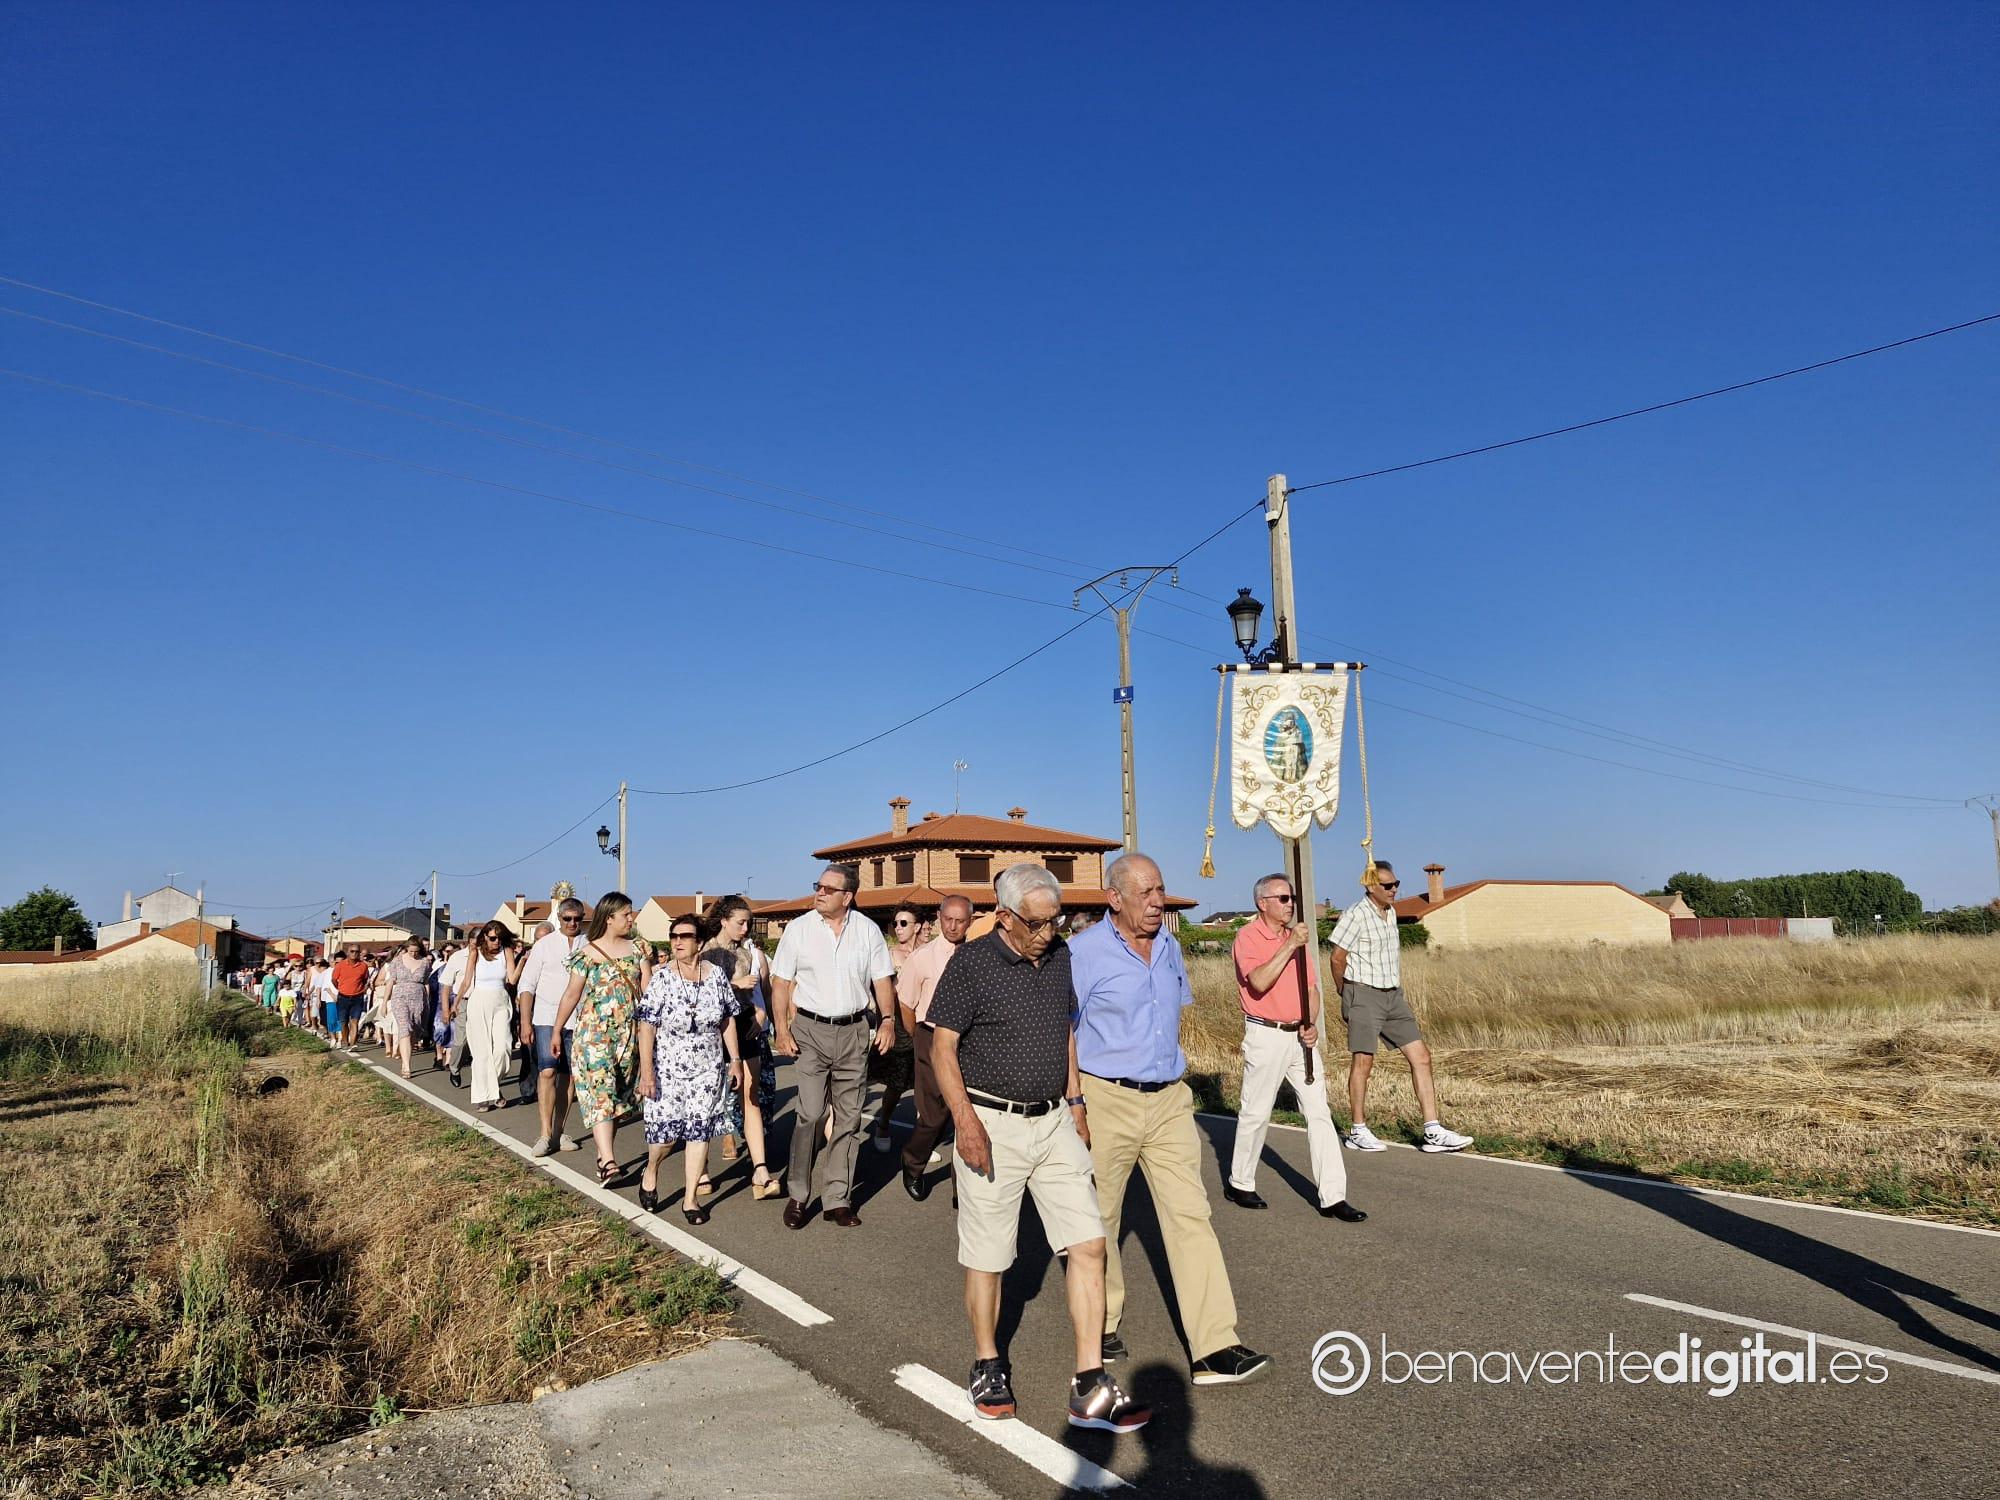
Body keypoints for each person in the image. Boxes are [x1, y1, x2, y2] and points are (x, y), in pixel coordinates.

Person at [928, 864, 1150, 1433]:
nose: (1049, 932)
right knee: (990, 1257)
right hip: (990, 1121)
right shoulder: (970, 963)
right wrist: (965, 1122)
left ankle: (1090, 1382)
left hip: (1053, 1121)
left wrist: (1076, 1104)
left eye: (1057, 920)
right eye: (1038, 923)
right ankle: (987, 1363)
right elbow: (942, 1049)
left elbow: (1065, 1030)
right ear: (1004, 917)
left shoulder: (1059, 957)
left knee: (1089, 1244)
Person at [1070, 852, 1271, 1386]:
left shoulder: (1170, 947)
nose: (1158, 901)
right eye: (1146, 893)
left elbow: (1170, 1015)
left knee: (1191, 1215)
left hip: (1168, 1099)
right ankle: (1101, 1322)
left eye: (1160, 890)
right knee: (1100, 1218)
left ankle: (1214, 1345)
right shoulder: (1082, 953)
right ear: (1114, 898)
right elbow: (1064, 1030)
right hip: (1104, 1097)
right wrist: (1074, 1101)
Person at [1224, 874, 1365, 1222]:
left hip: (1299, 1038)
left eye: (1292, 898)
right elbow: (1258, 981)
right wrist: (1289, 947)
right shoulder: (1248, 937)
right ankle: (1240, 1182)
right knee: (1256, 1112)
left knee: (1319, 1112)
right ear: (1263, 903)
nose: (1290, 905)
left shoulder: (1296, 939)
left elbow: (1312, 989)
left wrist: (1310, 1023)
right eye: (1283, 898)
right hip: (1265, 1034)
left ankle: (1333, 1196)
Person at [770, 864, 895, 1229]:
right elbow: (780, 984)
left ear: (848, 896)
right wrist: (781, 1029)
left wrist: (888, 1020)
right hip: (809, 1030)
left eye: (828, 888)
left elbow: (882, 980)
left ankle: (838, 1199)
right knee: (810, 1113)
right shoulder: (799, 929)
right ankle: (798, 1194)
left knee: (848, 1118)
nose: (820, 892)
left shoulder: (868, 930)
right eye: (818, 886)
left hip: (854, 1031)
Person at [1328, 862, 1473, 1155]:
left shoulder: (1391, 912)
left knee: (1422, 1057)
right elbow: (1336, 958)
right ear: (1371, 886)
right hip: (1363, 993)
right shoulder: (1355, 915)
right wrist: (1346, 992)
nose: (1394, 889)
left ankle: (1433, 1130)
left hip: (1393, 995)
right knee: (1363, 1061)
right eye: (1387, 885)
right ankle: (1358, 1130)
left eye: (1396, 884)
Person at [635, 918, 743, 1224]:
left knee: (699, 1131)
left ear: (700, 942)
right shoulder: (662, 978)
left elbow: (726, 1019)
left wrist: (735, 1059)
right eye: (673, 936)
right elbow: (646, 1027)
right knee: (666, 1139)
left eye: (685, 936)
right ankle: (651, 1169)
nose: (677, 941)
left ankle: (691, 1199)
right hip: (668, 1069)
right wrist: (647, 1072)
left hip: (708, 1069)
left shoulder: (716, 975)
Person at [551, 892, 652, 1185]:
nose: (631, 918)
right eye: (626, 914)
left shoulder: (639, 948)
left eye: (631, 913)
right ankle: (609, 1161)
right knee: (600, 1092)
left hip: (630, 1034)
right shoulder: (588, 953)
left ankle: (602, 1154)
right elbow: (571, 994)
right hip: (594, 1034)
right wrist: (557, 1029)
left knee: (618, 1097)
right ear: (609, 918)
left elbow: (647, 990)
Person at [702, 895, 782, 1199]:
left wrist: (761, 1014)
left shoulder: (747, 953)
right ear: (724, 921)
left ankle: (760, 1170)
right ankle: (701, 1169)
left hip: (744, 1023)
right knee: (709, 1098)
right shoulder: (705, 951)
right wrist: (735, 985)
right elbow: (700, 991)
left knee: (750, 1096)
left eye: (748, 923)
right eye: (740, 922)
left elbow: (757, 992)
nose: (746, 928)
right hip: (713, 1027)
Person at [898, 892, 972, 1200]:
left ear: (970, 922)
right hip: (930, 1034)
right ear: (940, 918)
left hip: (969, 1039)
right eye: (948, 919)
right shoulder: (922, 957)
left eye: (960, 921)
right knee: (933, 1114)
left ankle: (963, 1187)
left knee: (968, 1112)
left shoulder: (977, 954)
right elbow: (906, 1002)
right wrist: (918, 1036)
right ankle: (913, 1163)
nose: (953, 926)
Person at [517, 898, 587, 1156]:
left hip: (578, 1019)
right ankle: (545, 1134)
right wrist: (525, 1021)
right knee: (547, 1071)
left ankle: (559, 1131)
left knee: (568, 1075)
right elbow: (527, 984)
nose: (572, 923)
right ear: (559, 918)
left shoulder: (589, 944)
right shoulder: (544, 945)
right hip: (546, 1017)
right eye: (567, 918)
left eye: (577, 919)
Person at [866, 902, 923, 1152]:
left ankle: (921, 1142)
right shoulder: (888, 955)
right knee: (897, 1083)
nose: (898, 928)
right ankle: (883, 1123)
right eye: (895, 924)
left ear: (917, 927)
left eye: (903, 923)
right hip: (897, 1025)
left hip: (923, 1021)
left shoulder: (925, 954)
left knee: (925, 1085)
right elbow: (879, 989)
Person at [454, 922, 525, 1112]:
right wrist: (456, 1003)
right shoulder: (475, 953)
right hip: (479, 1001)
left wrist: (522, 962)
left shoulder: (506, 951)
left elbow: (512, 979)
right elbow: (466, 981)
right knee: (482, 1053)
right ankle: (484, 1097)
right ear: (485, 937)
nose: (496, 942)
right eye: (493, 938)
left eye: (500, 938)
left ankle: (492, 1088)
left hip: (501, 1000)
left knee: (503, 1048)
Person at [384, 939, 431, 1079]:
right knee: (404, 1028)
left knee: (413, 1031)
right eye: (411, 951)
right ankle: (406, 1065)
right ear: (407, 949)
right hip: (400, 998)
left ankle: (406, 1053)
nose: (413, 954)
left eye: (416, 951)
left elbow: (426, 982)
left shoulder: (425, 962)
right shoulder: (397, 961)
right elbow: (391, 981)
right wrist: (385, 1002)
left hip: (418, 998)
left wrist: (427, 1001)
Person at [433, 941, 469, 1080]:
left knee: (455, 1031)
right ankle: (439, 1056)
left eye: (452, 951)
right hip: (443, 1001)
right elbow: (438, 986)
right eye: (447, 951)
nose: (449, 954)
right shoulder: (440, 968)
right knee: (441, 1029)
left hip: (458, 1001)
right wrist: (444, 1008)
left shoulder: (467, 965)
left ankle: (449, 1060)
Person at [331, 947, 369, 1053]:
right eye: (352, 951)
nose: (354, 953)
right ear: (348, 952)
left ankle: (353, 1044)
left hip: (357, 997)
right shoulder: (340, 965)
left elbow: (365, 979)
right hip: (343, 997)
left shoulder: (363, 966)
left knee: (354, 1021)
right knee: (343, 1022)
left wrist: (362, 989)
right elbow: (334, 979)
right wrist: (340, 988)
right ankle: (344, 1040)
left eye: (357, 951)